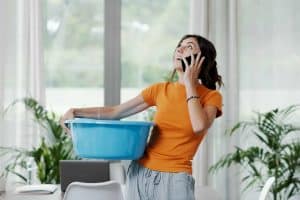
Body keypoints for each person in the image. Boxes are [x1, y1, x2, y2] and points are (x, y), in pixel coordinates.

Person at [60, 34, 223, 200]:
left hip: (175, 178)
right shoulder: (160, 90)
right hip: (140, 173)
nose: (179, 49)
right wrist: (76, 111)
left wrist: (189, 83)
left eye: (188, 46)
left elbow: (199, 125)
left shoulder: (211, 97)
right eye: (179, 45)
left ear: (201, 59)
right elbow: (115, 112)